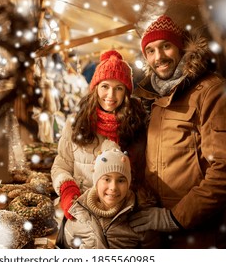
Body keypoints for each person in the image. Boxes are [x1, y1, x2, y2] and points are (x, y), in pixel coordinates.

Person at [130, 15, 226, 248]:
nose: (159, 57)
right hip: (160, 232)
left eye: (166, 46)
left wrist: (175, 217)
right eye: (151, 51)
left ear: (182, 47)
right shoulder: (155, 96)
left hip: (201, 234)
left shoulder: (215, 92)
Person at [51, 50, 153, 221]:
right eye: (105, 86)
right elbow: (61, 165)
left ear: (126, 92)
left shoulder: (137, 125)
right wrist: (67, 189)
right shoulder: (76, 123)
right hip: (81, 211)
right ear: (96, 87)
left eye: (118, 88)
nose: (110, 96)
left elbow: (142, 175)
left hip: (121, 217)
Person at [62, 142, 159, 248]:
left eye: (121, 180)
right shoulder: (78, 214)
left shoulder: (141, 221)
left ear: (128, 184)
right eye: (107, 179)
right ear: (96, 182)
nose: (113, 187)